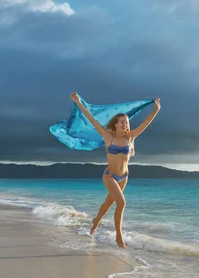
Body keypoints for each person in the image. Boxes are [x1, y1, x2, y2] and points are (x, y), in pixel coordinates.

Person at [69, 92, 161, 248]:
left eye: (126, 122)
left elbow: (146, 123)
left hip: (124, 176)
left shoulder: (130, 137)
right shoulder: (107, 136)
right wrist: (78, 102)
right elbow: (92, 119)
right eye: (122, 122)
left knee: (109, 202)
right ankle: (119, 237)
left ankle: (95, 221)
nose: (125, 124)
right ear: (116, 124)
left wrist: (156, 109)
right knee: (121, 202)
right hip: (109, 176)